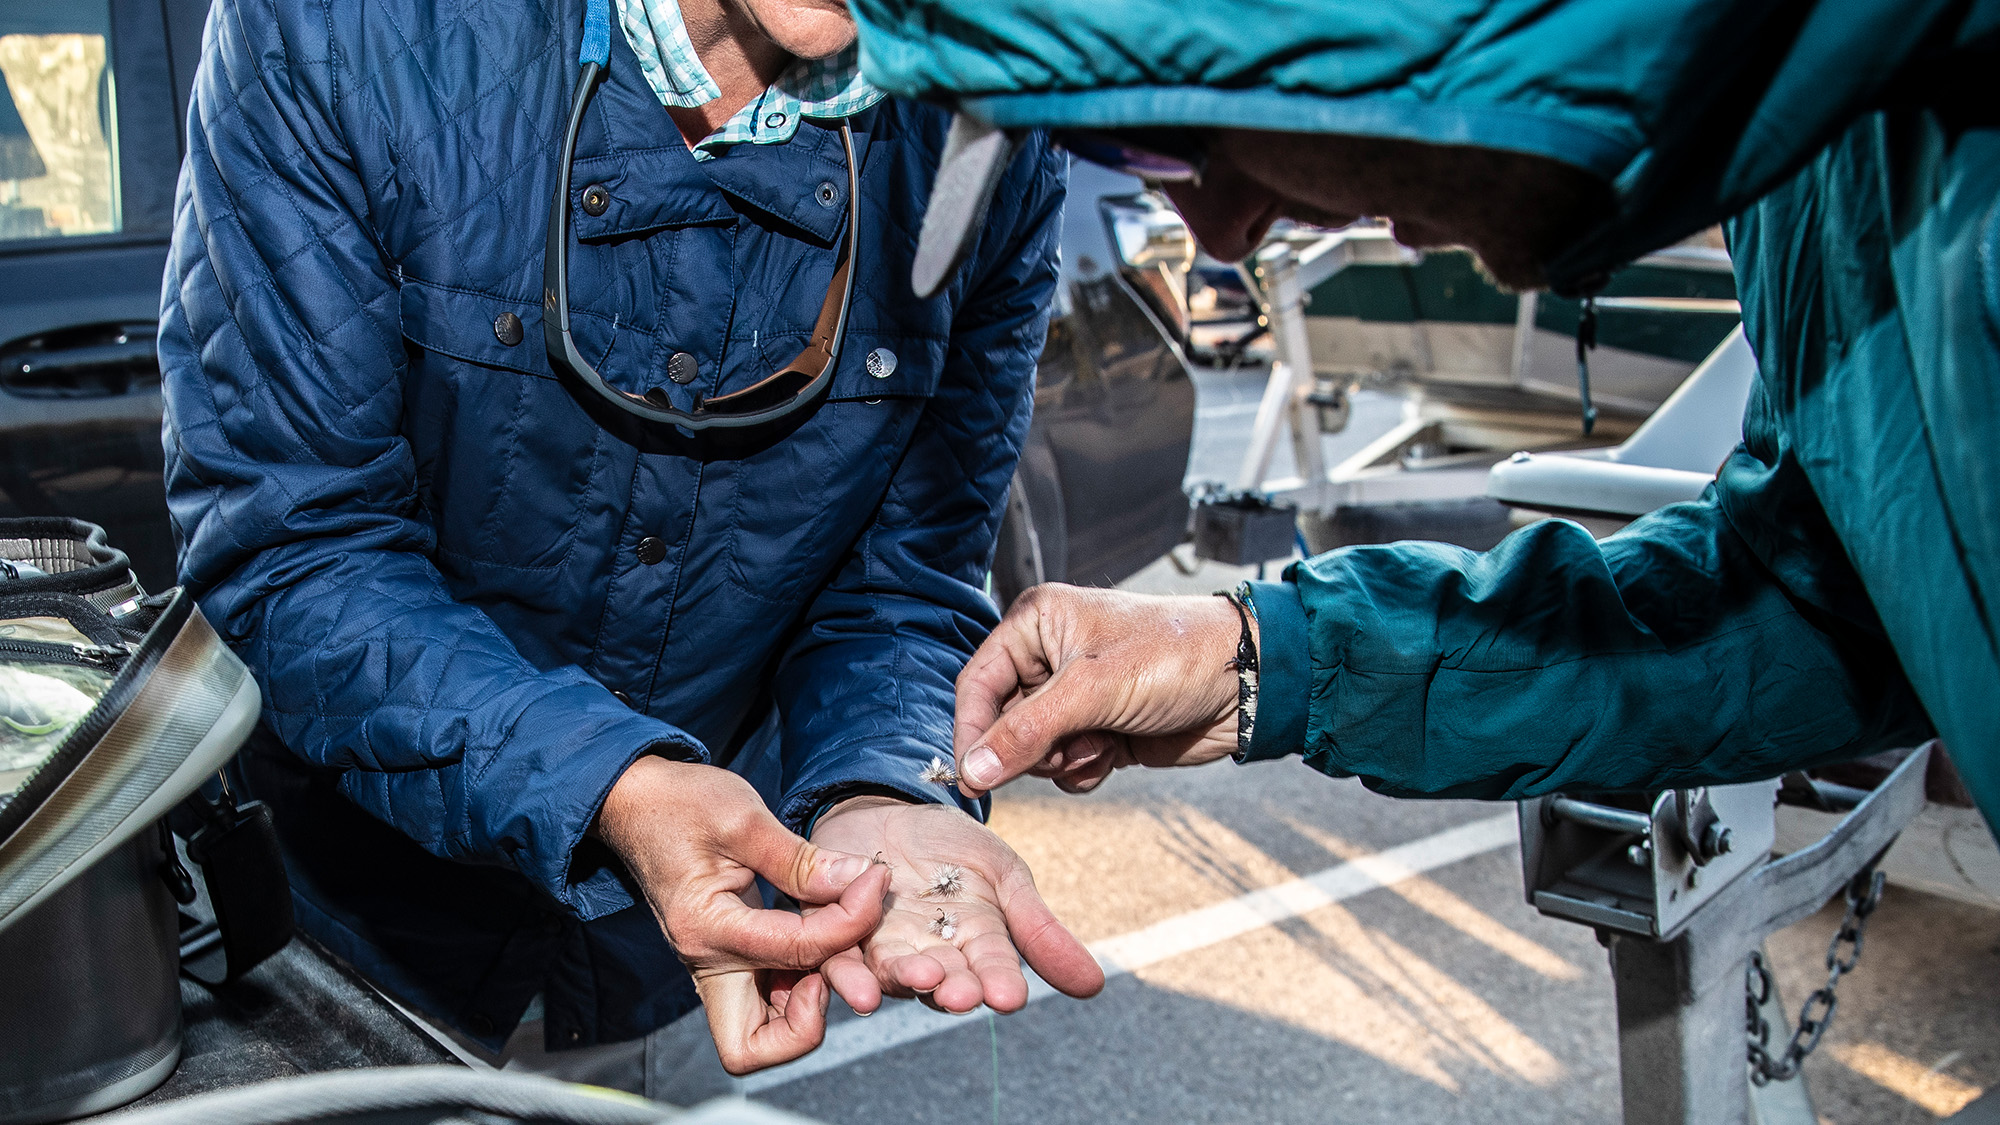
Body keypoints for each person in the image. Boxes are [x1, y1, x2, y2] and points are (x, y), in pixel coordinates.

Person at [157, 0, 1102, 1091]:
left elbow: (902, 583)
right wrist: (611, 787)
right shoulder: (334, 26)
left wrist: (882, 790)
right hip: (335, 939)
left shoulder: (996, 140)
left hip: (668, 954)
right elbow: (294, 549)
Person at [845, 0, 1999, 835]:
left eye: (1179, 136)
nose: (1227, 232)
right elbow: (1819, 602)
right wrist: (1264, 656)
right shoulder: (1831, 161)